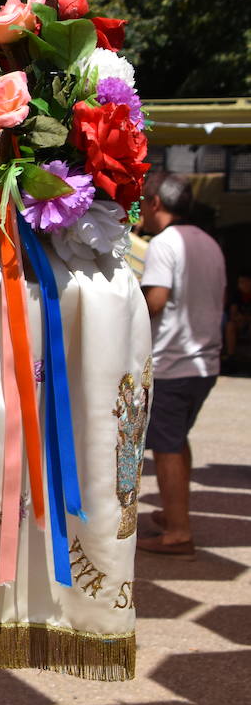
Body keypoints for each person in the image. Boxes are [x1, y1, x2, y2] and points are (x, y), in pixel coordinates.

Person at [137, 172, 226, 556]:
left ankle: (177, 531)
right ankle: (177, 513)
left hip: (173, 363)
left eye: (141, 201)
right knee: (176, 441)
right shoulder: (208, 242)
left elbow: (155, 300)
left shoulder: (164, 243)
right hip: (205, 363)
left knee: (166, 446)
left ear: (155, 202)